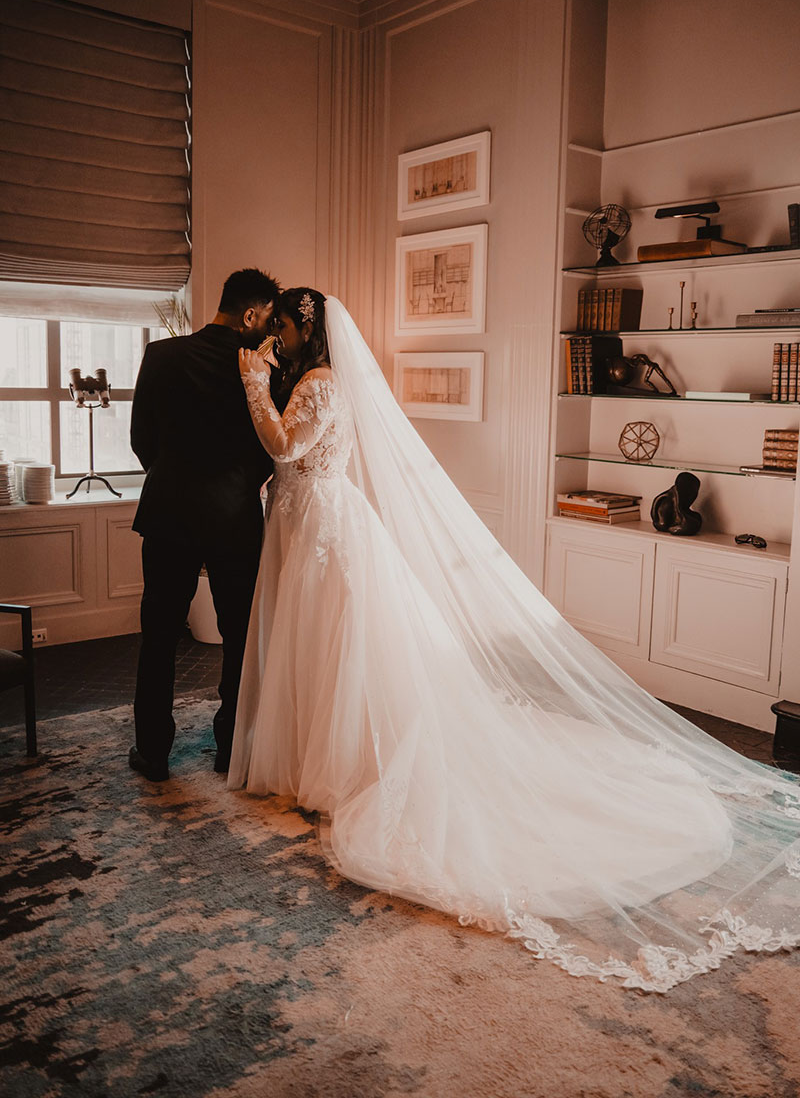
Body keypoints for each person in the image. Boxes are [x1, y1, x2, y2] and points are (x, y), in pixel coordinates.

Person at [229, 289, 800, 993]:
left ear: (305, 330)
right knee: (312, 641)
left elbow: (285, 444)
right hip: (303, 520)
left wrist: (254, 384)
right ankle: (306, 753)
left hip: (321, 524)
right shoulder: (314, 379)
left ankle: (337, 763)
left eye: (283, 326)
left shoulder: (318, 383)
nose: (277, 338)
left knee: (329, 640)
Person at [129, 267, 279, 781]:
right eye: (267, 322)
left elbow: (140, 440)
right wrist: (235, 485)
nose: (269, 334)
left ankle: (152, 752)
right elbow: (268, 450)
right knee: (239, 636)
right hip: (234, 517)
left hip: (168, 511)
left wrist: (174, 478)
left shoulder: (161, 356)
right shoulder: (261, 371)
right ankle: (228, 746)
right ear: (251, 314)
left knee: (158, 635)